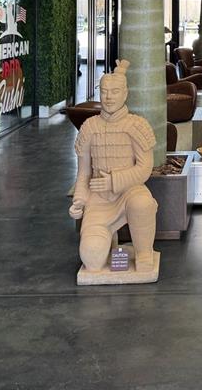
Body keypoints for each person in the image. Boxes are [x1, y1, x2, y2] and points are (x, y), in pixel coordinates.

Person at [69, 60, 158, 273]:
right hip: (99, 200)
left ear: (125, 94)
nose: (109, 97)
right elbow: (84, 173)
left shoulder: (137, 125)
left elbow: (145, 168)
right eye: (104, 92)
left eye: (115, 92)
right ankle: (104, 241)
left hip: (130, 192)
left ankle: (144, 253)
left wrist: (113, 181)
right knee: (92, 260)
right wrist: (79, 200)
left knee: (142, 204)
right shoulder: (90, 127)